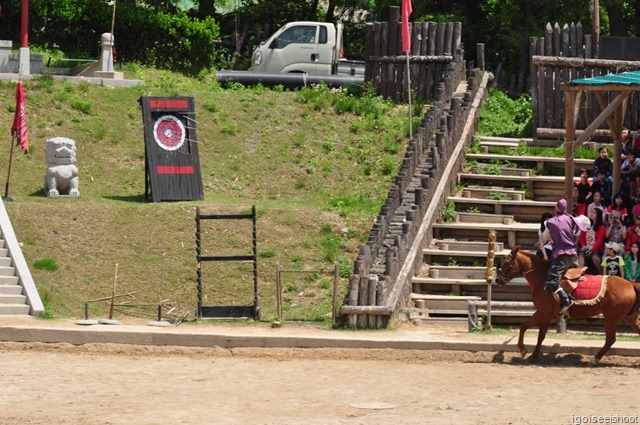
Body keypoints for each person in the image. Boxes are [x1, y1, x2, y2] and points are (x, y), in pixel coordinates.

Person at [545, 199, 588, 313]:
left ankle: (566, 300)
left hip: (561, 257)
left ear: (556, 209)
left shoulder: (550, 222)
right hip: (573, 254)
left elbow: (545, 237)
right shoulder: (571, 218)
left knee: (551, 281)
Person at [578, 208, 606, 275]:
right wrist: (583, 245)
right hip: (586, 247)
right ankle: (579, 272)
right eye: (591, 212)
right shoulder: (587, 225)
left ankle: (600, 272)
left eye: (594, 213)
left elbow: (599, 241)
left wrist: (591, 250)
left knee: (595, 257)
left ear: (598, 215)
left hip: (596, 249)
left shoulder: (601, 227)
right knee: (581, 255)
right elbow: (581, 237)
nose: (591, 214)